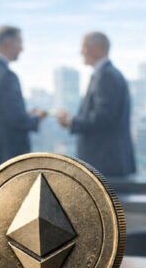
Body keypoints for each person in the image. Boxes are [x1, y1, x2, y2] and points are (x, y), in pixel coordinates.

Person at [57, 32, 136, 177]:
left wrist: (71, 121)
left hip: (105, 163)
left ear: (98, 48)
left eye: (85, 47)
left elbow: (103, 119)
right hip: (107, 162)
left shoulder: (106, 76)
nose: (81, 52)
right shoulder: (105, 75)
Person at [0, 25, 47, 175]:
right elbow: (16, 119)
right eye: (19, 42)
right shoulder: (7, 76)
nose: (22, 48)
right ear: (7, 43)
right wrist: (37, 118)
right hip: (7, 158)